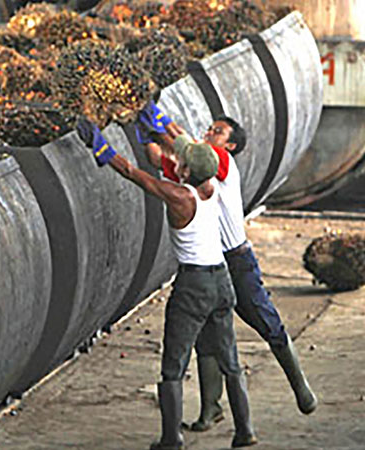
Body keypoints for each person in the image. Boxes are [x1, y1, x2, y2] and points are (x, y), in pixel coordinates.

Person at [76, 118, 256, 449]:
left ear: (185, 171)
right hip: (222, 281)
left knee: (174, 362)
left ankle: (172, 438)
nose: (176, 162)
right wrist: (158, 128)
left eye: (180, 163)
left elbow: (133, 173)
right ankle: (245, 430)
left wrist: (101, 146)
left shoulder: (179, 196)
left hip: (194, 284)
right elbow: (189, 153)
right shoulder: (214, 189)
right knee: (229, 357)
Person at [136, 103, 318, 431]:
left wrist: (159, 122)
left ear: (230, 145)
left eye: (217, 131)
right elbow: (157, 159)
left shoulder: (223, 162)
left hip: (237, 261)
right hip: (211, 266)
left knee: (266, 320)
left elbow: (186, 146)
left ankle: (300, 386)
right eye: (209, 128)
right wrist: (141, 132)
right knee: (208, 340)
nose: (209, 133)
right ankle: (211, 409)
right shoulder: (191, 169)